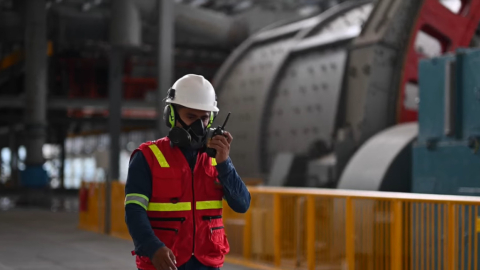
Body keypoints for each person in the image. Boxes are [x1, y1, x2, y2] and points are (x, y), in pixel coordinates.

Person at [124, 74, 251, 270]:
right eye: (191, 117)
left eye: (204, 118)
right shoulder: (147, 157)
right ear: (172, 116)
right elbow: (134, 211)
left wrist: (225, 163)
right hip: (164, 262)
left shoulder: (217, 160)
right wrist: (152, 247)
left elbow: (242, 204)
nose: (198, 126)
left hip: (207, 263)